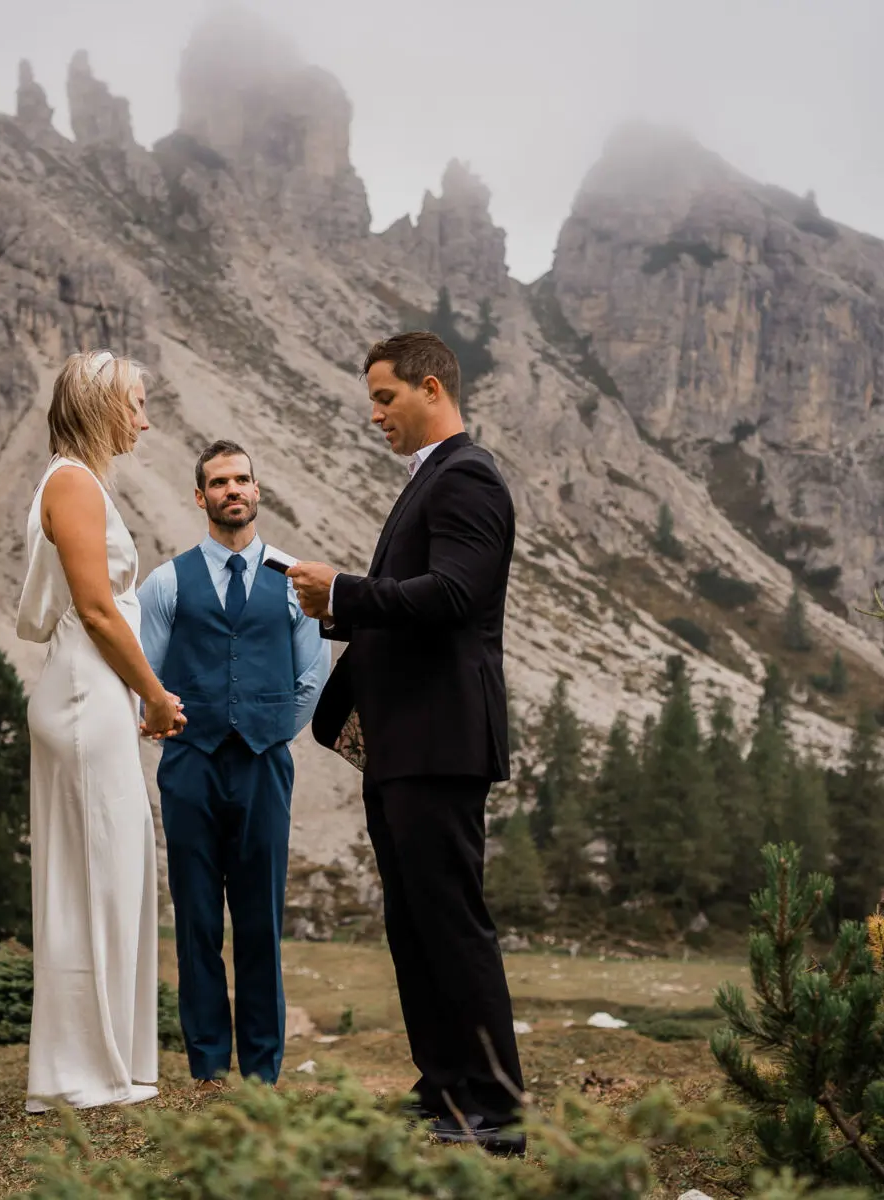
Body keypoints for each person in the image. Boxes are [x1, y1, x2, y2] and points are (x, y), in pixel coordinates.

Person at [288, 331, 526, 1153]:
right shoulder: (430, 481)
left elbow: (456, 594)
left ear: (433, 388)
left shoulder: (467, 476)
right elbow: (412, 597)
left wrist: (345, 590)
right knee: (413, 924)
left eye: (385, 399)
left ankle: (494, 1108)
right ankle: (444, 1091)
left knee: (452, 924)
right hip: (401, 745)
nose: (376, 416)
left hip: (441, 742)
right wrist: (340, 607)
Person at [15, 349, 185, 1113]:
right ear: (98, 406)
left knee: (105, 877)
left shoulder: (74, 483)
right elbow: (96, 610)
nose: (145, 420)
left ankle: (104, 1064)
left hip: (91, 693)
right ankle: (85, 1073)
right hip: (88, 694)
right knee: (98, 878)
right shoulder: (74, 483)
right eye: (137, 404)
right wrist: (154, 695)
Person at [138, 440, 329, 1092]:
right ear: (201, 497)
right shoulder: (166, 582)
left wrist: (269, 731)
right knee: (195, 922)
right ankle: (209, 1073)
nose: (232, 490)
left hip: (263, 768)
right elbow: (147, 675)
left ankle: (263, 1074)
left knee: (260, 924)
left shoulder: (294, 578)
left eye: (242, 479)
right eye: (219, 482)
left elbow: (312, 673)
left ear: (258, 489)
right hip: (189, 768)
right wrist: (175, 727)